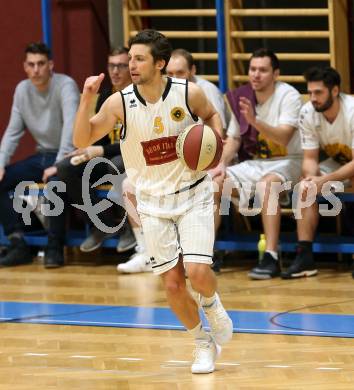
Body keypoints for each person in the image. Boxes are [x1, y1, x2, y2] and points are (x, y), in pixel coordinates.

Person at [73, 29, 233, 374]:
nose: (131, 64)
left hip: (193, 195)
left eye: (139, 58)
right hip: (152, 202)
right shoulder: (119, 102)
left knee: (199, 272)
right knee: (173, 285)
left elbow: (212, 118)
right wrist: (87, 98)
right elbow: (82, 138)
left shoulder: (189, 93)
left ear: (159, 64)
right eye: (130, 58)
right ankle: (202, 342)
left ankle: (212, 304)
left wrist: (213, 146)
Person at [117, 47, 232, 273]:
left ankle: (204, 253)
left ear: (193, 71)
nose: (175, 77)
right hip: (169, 163)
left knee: (212, 185)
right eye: (171, 72)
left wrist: (214, 160)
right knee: (128, 185)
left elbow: (215, 129)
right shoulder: (155, 91)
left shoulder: (200, 91)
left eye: (181, 72)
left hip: (202, 159)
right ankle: (146, 251)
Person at [211, 48, 303, 280]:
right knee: (212, 182)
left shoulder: (289, 96)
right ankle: (206, 254)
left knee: (266, 186)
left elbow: (283, 137)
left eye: (263, 70)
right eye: (253, 69)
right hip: (255, 164)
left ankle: (271, 255)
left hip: (289, 162)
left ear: (276, 74)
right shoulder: (243, 96)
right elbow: (234, 139)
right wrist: (221, 163)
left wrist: (255, 121)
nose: (256, 75)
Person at [51, 47, 135, 262]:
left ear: (132, 67)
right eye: (111, 66)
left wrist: (100, 150)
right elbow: (99, 135)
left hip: (133, 156)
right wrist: (85, 148)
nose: (115, 71)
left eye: (121, 66)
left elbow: (136, 140)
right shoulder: (107, 95)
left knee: (115, 164)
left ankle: (128, 226)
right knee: (65, 167)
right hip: (107, 156)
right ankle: (104, 223)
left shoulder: (138, 96)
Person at [0, 42, 80, 268]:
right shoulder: (22, 90)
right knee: (1, 180)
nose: (36, 69)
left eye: (41, 64)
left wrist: (60, 162)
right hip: (41, 155)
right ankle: (18, 243)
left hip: (70, 155)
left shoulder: (65, 85)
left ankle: (55, 247)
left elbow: (71, 127)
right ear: (25, 66)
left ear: (50, 65)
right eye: (31, 64)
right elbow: (13, 132)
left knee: (56, 181)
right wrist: (0, 162)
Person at [282, 67, 354, 279]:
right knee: (304, 188)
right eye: (310, 92)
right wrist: (312, 177)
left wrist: (325, 179)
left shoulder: (352, 110)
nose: (313, 98)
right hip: (340, 164)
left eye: (319, 93)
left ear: (334, 91)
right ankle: (305, 257)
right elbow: (310, 158)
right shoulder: (307, 112)